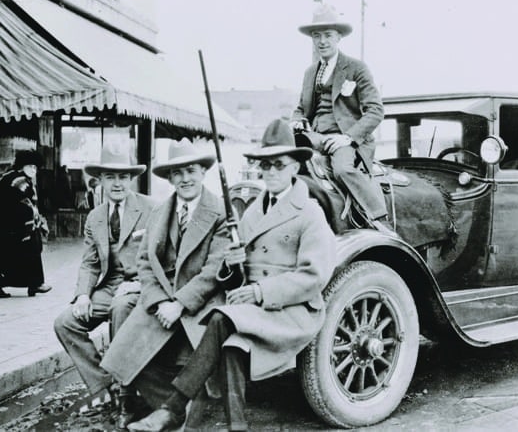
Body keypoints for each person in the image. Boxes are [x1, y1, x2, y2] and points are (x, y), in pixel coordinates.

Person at [127, 120, 336, 431]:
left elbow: (314, 276)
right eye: (265, 166)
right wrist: (232, 265)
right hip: (256, 308)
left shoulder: (309, 212)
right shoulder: (253, 211)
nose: (271, 172)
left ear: (295, 167)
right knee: (231, 345)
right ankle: (236, 425)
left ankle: (173, 407)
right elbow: (236, 276)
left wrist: (260, 292)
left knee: (220, 319)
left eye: (279, 165)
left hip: (293, 310)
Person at [99, 138, 230, 426]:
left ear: (203, 173)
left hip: (201, 301)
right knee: (126, 353)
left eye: (191, 170)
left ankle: (179, 407)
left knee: (197, 358)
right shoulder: (160, 211)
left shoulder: (221, 212)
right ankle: (170, 407)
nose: (185, 179)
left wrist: (180, 304)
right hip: (162, 299)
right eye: (178, 173)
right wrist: (159, 300)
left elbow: (214, 270)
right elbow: (144, 262)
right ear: (170, 178)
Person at [53, 143, 157, 429]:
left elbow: (164, 257)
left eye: (123, 177)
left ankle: (127, 397)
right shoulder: (95, 216)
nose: (117, 183)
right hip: (109, 285)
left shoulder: (152, 208)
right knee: (65, 322)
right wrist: (83, 295)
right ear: (100, 180)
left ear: (131, 179)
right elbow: (89, 263)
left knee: (121, 308)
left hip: (141, 284)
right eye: (111, 177)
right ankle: (104, 385)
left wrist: (138, 283)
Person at [290, 3, 391, 233]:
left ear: (338, 37)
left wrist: (348, 138)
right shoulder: (310, 72)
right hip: (314, 136)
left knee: (342, 170)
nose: (322, 41)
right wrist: (296, 120)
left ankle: (377, 218)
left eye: (327, 35)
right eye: (317, 36)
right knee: (282, 154)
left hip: (343, 139)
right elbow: (300, 108)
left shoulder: (356, 69)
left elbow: (376, 111)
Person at [0, 150, 52, 298]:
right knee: (30, 250)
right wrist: (36, 220)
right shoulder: (20, 180)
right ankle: (34, 284)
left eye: (35, 167)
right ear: (22, 166)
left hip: (1, 223)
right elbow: (26, 203)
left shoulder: (8, 176)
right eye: (30, 166)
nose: (33, 170)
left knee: (0, 255)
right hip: (16, 224)